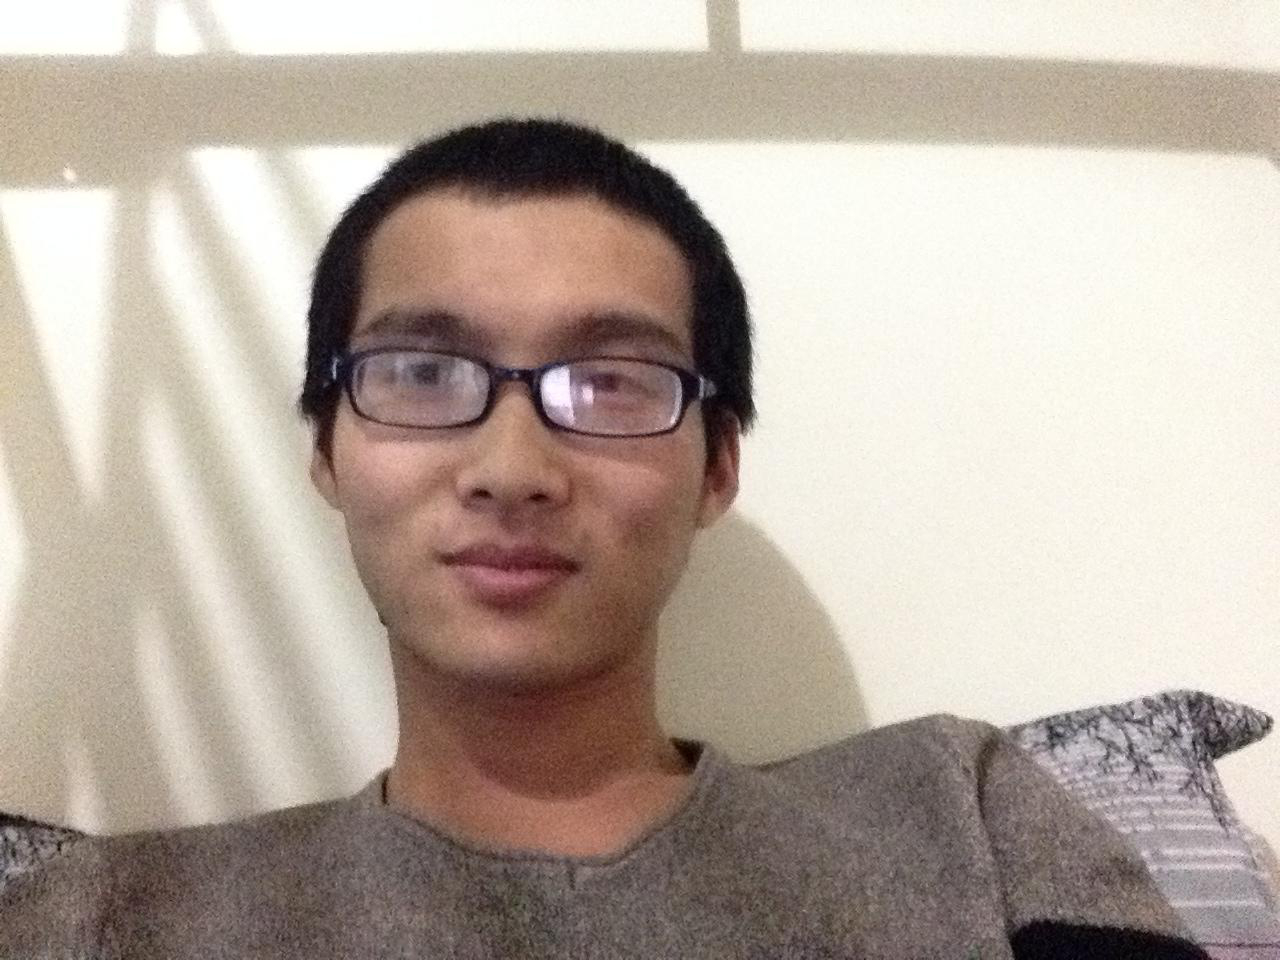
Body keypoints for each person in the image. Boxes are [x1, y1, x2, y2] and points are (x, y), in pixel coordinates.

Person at [0, 118, 1209, 958]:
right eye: (422, 373)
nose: (512, 470)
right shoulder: (107, 919)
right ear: (325, 447)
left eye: (611, 382)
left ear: (716, 464)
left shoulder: (960, 820)